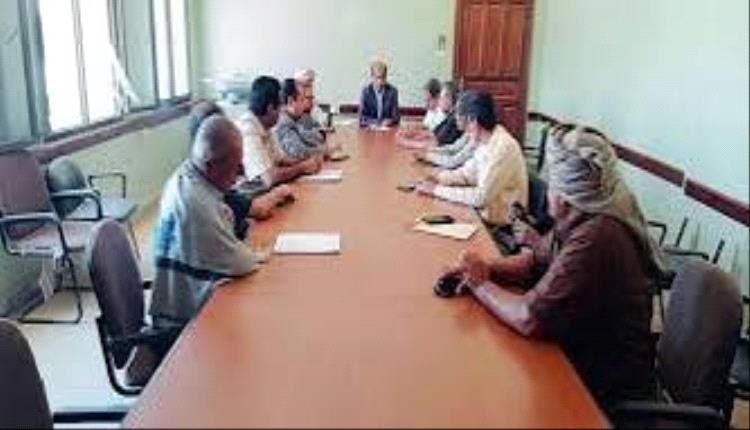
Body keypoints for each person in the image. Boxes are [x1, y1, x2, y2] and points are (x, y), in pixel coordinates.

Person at [444, 125, 662, 412]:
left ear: (564, 198)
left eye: (551, 184)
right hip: (577, 354)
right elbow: (535, 260)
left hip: (600, 391)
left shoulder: (598, 237)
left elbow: (529, 317)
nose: (547, 192)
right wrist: (486, 267)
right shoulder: (587, 214)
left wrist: (480, 285)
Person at [151, 115, 264, 329]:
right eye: (236, 166)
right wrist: (256, 253)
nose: (242, 173)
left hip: (184, 299)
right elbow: (242, 263)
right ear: (211, 165)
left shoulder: (189, 176)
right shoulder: (195, 202)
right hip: (182, 325)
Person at [416, 91, 528, 228]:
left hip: (499, 225)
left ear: (473, 121)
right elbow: (467, 174)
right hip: (484, 213)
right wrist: (438, 178)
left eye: (463, 123)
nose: (464, 132)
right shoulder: (486, 140)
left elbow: (480, 197)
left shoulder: (503, 148)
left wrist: (436, 190)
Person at [188, 101, 294, 224]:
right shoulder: (203, 194)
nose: (241, 171)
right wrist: (278, 193)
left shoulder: (198, 176)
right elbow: (258, 209)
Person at [239, 76, 323, 187]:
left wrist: (308, 162)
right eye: (279, 107)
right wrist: (302, 167)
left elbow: (282, 159)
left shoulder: (267, 126)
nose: (281, 111)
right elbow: (269, 178)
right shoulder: (248, 129)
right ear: (270, 108)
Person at [275, 78, 327, 162]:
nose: (305, 104)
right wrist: (325, 151)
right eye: (302, 100)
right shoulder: (283, 124)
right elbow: (299, 152)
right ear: (291, 101)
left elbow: (316, 138)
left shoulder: (296, 119)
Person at [359, 60, 400, 128]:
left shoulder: (392, 92)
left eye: (383, 77)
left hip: (387, 130)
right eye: (378, 77)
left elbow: (396, 118)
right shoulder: (366, 92)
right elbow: (362, 118)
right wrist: (376, 123)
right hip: (370, 130)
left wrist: (389, 122)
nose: (380, 81)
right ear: (372, 76)